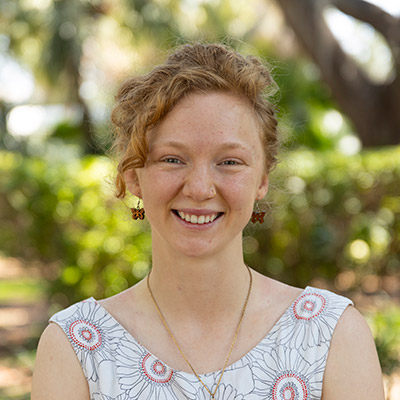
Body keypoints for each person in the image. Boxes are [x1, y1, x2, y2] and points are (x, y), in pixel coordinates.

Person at [31, 43, 384, 400]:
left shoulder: (331, 336)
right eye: (172, 159)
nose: (199, 188)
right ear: (135, 176)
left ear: (262, 178)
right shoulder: (77, 347)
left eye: (229, 162)